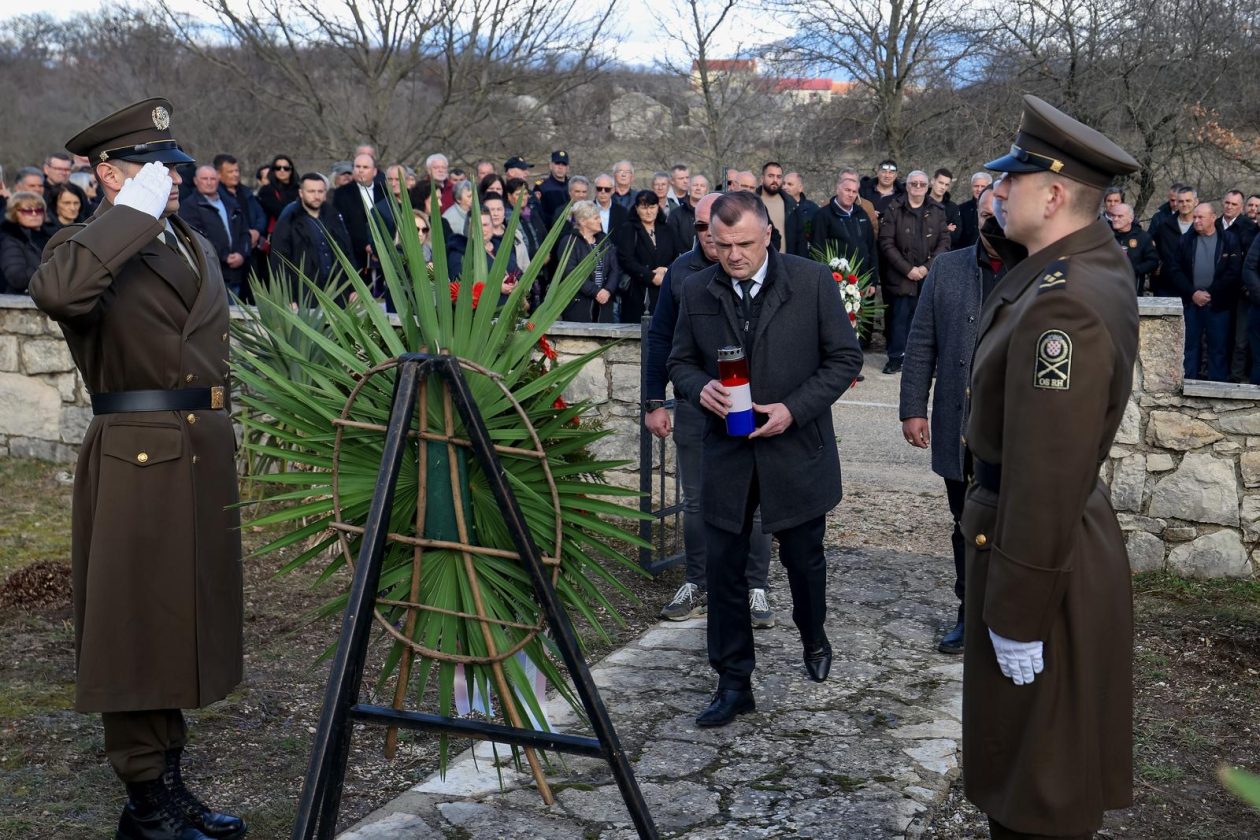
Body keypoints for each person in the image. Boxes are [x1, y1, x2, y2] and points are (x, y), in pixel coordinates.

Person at [28, 97, 246, 840]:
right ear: (109, 174)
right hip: (138, 457)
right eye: (154, 169)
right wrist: (127, 217)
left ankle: (169, 786)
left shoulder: (189, 240)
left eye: (175, 167)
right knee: (135, 627)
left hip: (199, 452)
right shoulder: (87, 244)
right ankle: (147, 803)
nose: (173, 179)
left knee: (177, 622)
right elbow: (59, 294)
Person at [964, 93, 1141, 840]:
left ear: (1056, 194)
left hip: (1040, 559)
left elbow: (1044, 474)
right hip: (1043, 547)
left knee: (1035, 788)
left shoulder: (1062, 308)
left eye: (1014, 179)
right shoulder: (1079, 267)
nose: (998, 190)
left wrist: (1016, 613)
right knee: (1034, 769)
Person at [668, 191, 863, 726]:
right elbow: (679, 361)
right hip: (726, 453)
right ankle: (733, 683)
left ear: (768, 235)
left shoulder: (811, 281)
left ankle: (813, 634)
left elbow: (845, 358)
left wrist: (793, 409)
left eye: (745, 244)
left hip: (795, 450)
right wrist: (699, 388)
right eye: (722, 244)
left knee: (804, 560)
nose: (733, 255)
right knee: (724, 570)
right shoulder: (696, 288)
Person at [898, 186, 1023, 656]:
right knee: (966, 524)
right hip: (962, 426)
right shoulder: (947, 269)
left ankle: (1011, 617)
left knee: (1015, 527)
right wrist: (913, 407)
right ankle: (969, 614)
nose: (997, 223)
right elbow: (921, 341)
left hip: (1016, 430)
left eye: (1004, 214)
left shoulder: (1036, 270)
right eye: (989, 214)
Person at [645, 192, 776, 627]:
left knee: (755, 499)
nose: (709, 235)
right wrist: (653, 400)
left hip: (751, 405)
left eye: (715, 227)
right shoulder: (682, 274)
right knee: (697, 500)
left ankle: (755, 586)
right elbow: (661, 340)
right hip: (697, 405)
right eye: (701, 227)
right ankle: (698, 580)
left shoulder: (761, 269)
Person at [878, 169, 951, 374]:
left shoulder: (937, 210)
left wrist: (926, 268)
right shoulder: (894, 208)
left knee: (927, 321)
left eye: (922, 184)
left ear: (928, 187)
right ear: (907, 186)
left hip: (928, 275)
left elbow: (944, 242)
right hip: (901, 275)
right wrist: (907, 269)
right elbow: (886, 243)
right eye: (913, 183)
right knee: (899, 318)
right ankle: (896, 358)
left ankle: (925, 360)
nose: (918, 187)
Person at [1166, 202, 1243, 382]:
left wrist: (1210, 293)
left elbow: (1233, 271)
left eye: (1201, 217)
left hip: (1218, 304)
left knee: (1218, 347)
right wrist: (1193, 293)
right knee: (1189, 346)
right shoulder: (1185, 240)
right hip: (1191, 302)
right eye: (1195, 217)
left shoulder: (1228, 240)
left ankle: (1217, 385)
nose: (1196, 221)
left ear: (1213, 218)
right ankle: (1187, 384)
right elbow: (1174, 269)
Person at [268, 171, 354, 297]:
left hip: (337, 292)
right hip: (304, 293)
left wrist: (352, 288)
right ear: (301, 193)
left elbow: (347, 252)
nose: (316, 196)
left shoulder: (334, 217)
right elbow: (280, 261)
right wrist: (288, 297)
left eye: (320, 191)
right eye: (311, 191)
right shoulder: (289, 220)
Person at [177, 165, 252, 296]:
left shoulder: (231, 203)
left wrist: (242, 253)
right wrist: (224, 256)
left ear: (218, 180)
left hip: (237, 274)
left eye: (212, 179)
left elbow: (244, 231)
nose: (209, 182)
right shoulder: (189, 206)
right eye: (204, 178)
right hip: (211, 274)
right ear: (195, 181)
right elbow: (196, 236)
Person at [615, 189, 682, 323]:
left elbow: (677, 255)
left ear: (658, 207)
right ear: (636, 208)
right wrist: (650, 276)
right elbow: (626, 259)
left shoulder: (667, 229)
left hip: (664, 288)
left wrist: (666, 270)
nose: (649, 212)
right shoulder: (629, 229)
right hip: (637, 290)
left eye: (652, 207)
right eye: (644, 208)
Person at [555, 200, 621, 322]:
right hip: (579, 305)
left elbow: (615, 269)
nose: (600, 221)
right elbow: (571, 273)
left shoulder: (604, 240)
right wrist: (596, 291)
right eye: (596, 218)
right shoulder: (569, 242)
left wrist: (608, 290)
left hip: (604, 304)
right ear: (582, 221)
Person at [333, 152, 388, 274]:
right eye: (357, 167)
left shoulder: (384, 192)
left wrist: (377, 247)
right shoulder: (341, 193)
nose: (361, 170)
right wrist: (365, 245)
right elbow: (341, 225)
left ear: (374, 171)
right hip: (354, 255)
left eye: (365, 167)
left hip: (383, 255)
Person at [1, 191, 56, 293]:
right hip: (23, 296)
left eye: (39, 210)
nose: (34, 214)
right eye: (27, 211)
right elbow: (16, 278)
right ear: (14, 213)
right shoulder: (11, 239)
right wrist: (51, 268)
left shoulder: (52, 236)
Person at [755, 161, 807, 256]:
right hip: (760, 258)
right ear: (762, 179)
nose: (775, 180)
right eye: (770, 176)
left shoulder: (791, 204)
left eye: (778, 177)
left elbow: (800, 240)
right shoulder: (753, 203)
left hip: (786, 260)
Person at [1108, 203, 1159, 295]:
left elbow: (1153, 261)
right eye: (1113, 216)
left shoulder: (1143, 237)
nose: (1115, 219)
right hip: (1107, 287)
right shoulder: (1105, 236)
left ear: (1130, 219)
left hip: (1132, 289)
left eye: (1120, 216)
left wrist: (1135, 270)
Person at [256, 153, 299, 232]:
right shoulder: (267, 190)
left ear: (291, 170)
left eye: (286, 168)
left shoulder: (299, 189)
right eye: (278, 168)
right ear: (273, 170)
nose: (282, 170)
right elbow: (280, 213)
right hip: (280, 232)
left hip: (300, 231)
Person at [953, 172, 993, 250]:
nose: (979, 189)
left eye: (983, 186)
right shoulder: (961, 209)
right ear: (971, 187)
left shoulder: (995, 209)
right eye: (976, 186)